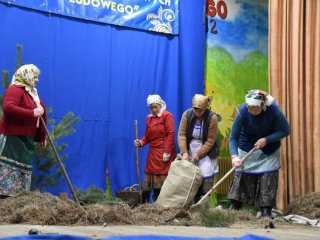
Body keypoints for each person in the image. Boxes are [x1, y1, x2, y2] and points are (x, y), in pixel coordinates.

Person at [227, 89, 290, 217]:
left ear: (262, 105)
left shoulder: (274, 110)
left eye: (255, 108)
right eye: (250, 107)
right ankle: (235, 207)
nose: (252, 111)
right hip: (246, 146)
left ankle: (265, 211)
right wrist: (234, 156)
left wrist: (267, 140)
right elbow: (233, 137)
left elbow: (285, 130)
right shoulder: (243, 111)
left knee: (268, 178)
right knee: (242, 175)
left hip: (269, 149)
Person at [0, 64, 47, 199]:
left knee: (22, 171)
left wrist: (41, 137)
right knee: (8, 170)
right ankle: (3, 203)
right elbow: (8, 108)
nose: (37, 80)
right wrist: (32, 112)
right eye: (35, 76)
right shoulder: (15, 90)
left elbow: (40, 118)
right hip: (12, 138)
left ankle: (16, 201)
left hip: (26, 139)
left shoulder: (32, 94)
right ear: (25, 75)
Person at [134, 94, 176, 201]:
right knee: (150, 185)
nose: (154, 110)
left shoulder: (167, 116)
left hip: (164, 154)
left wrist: (167, 152)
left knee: (162, 185)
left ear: (160, 105)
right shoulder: (148, 118)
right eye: (151, 108)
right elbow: (148, 136)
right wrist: (141, 142)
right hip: (153, 154)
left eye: (156, 107)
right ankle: (148, 206)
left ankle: (162, 205)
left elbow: (171, 134)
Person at [178, 94, 219, 202]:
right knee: (189, 178)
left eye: (200, 110)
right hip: (190, 149)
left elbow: (210, 140)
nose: (197, 112)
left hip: (207, 151)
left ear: (205, 109)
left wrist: (198, 154)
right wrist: (184, 153)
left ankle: (204, 204)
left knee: (205, 174)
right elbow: (181, 135)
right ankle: (191, 204)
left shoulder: (212, 118)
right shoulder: (186, 115)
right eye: (195, 109)